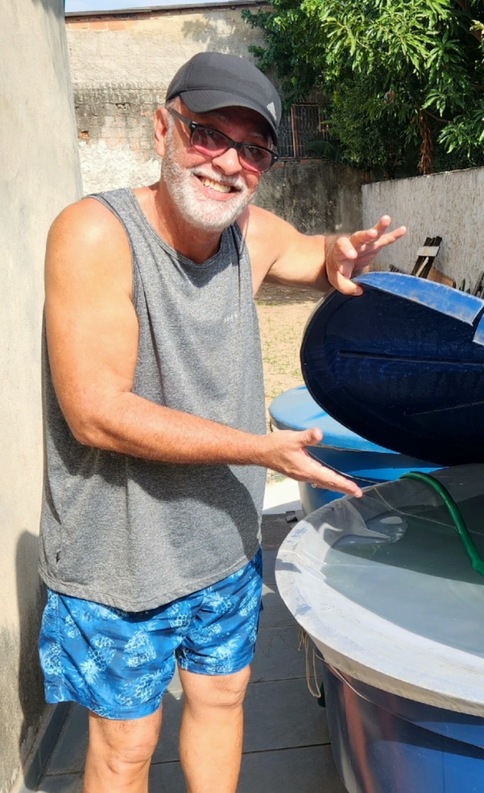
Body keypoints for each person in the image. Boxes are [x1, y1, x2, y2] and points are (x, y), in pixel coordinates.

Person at [38, 51, 406, 793]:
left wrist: (339, 253)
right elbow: (96, 413)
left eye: (252, 149)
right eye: (207, 133)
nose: (226, 163)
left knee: (222, 698)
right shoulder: (93, 233)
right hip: (119, 559)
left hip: (222, 543)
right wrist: (257, 450)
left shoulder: (251, 232)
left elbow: (305, 253)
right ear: (163, 129)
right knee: (125, 748)